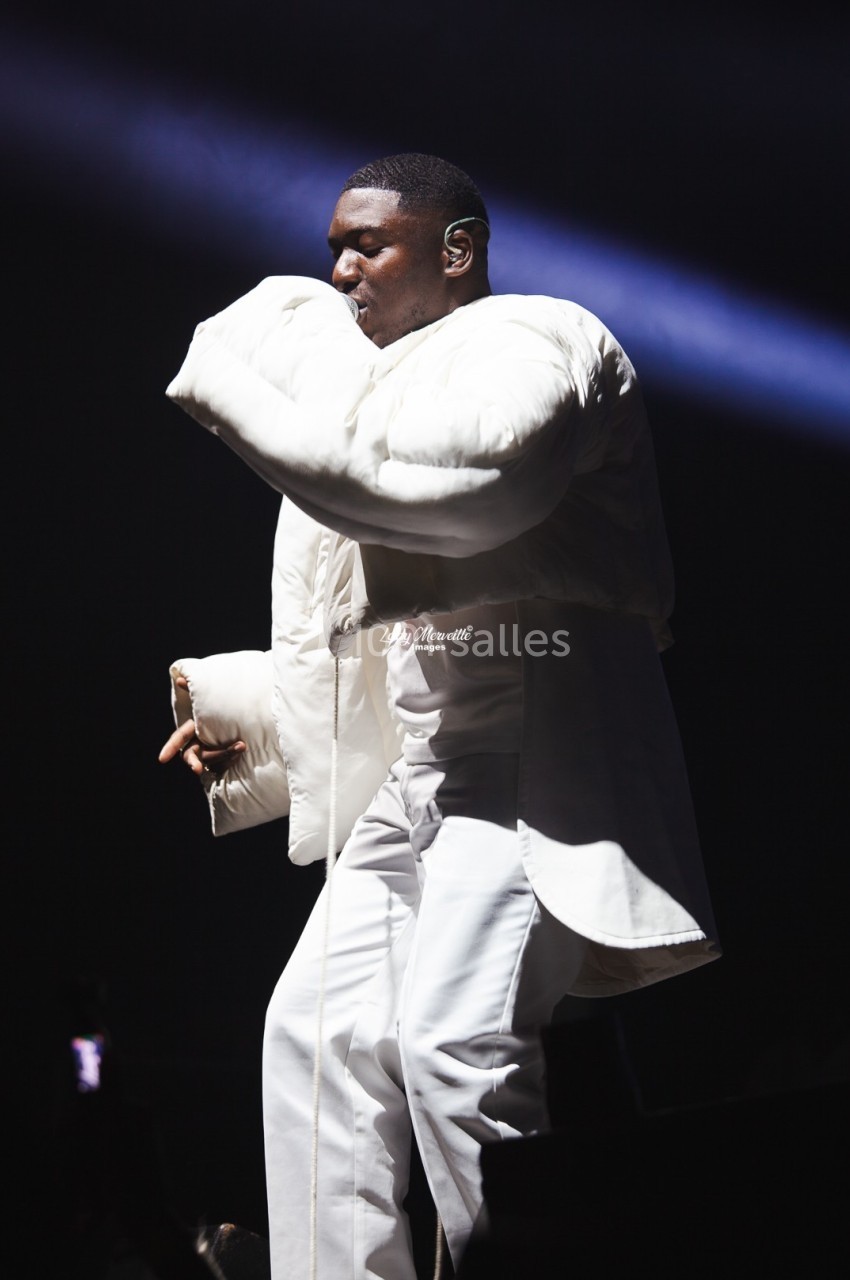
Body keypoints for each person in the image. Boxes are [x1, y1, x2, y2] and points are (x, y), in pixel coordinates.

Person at [159, 153, 720, 1280]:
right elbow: (372, 642)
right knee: (310, 1040)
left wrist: (264, 387)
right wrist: (251, 719)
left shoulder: (541, 340)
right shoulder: (379, 392)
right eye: (333, 246)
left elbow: (462, 500)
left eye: (369, 242)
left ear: (455, 248)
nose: (342, 267)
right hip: (416, 774)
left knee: (454, 1042)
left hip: (526, 761)